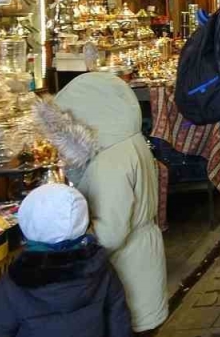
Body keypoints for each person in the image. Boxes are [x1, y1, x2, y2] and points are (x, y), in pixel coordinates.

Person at [33, 72, 168, 334]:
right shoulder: (128, 141)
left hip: (128, 272)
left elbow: (110, 232)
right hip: (143, 259)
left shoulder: (110, 162)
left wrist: (73, 251)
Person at [0, 184, 132, 337]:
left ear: (27, 222)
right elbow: (119, 322)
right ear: (83, 222)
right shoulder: (101, 267)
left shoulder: (14, 283)